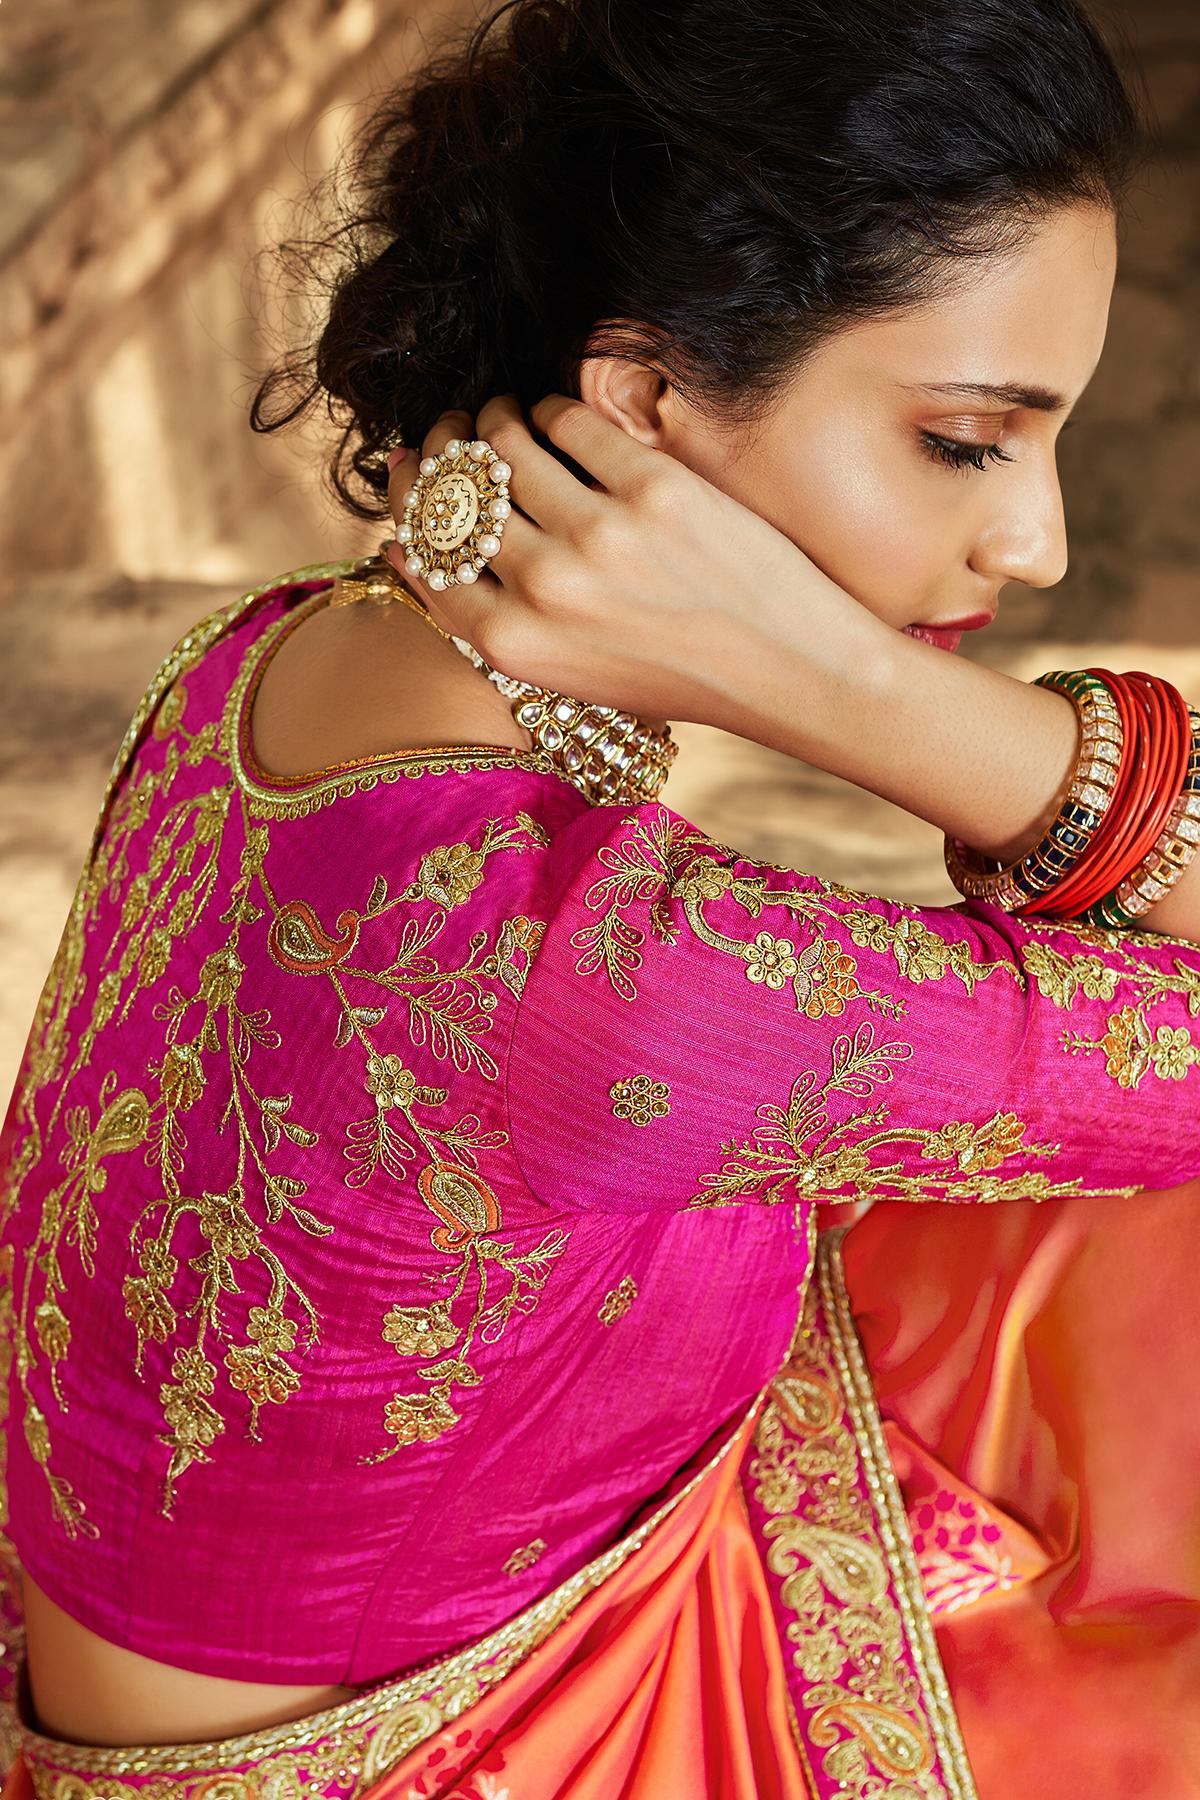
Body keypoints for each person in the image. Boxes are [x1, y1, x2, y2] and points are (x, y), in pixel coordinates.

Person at [1, 0, 1198, 1793]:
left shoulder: (274, 659)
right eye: (965, 440)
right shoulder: (619, 973)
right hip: (490, 1741)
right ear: (644, 405)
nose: (1037, 544)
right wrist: (858, 696)